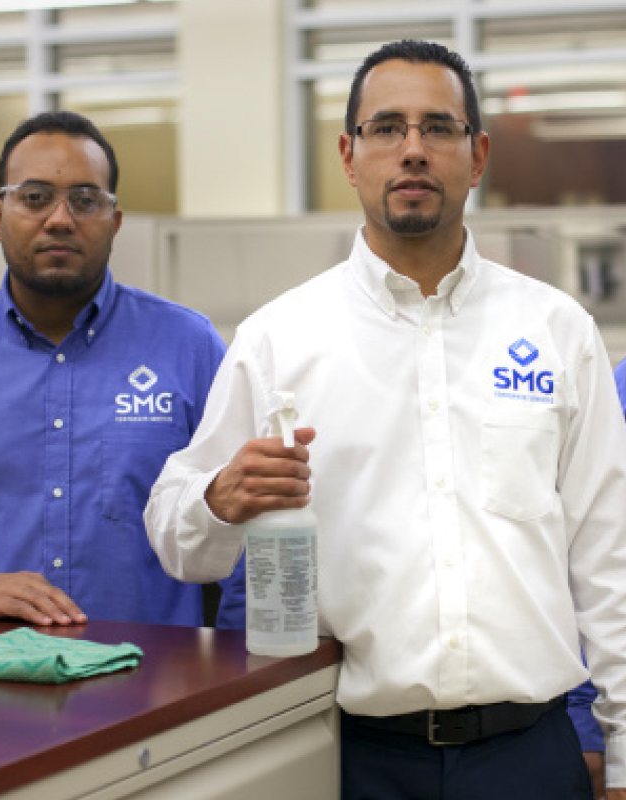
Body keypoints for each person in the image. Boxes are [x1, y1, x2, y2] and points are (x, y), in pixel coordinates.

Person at [145, 40, 626, 799]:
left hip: (530, 757)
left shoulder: (557, 331)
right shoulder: (279, 339)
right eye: (386, 128)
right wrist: (218, 499)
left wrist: (624, 750)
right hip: (352, 759)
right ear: (349, 153)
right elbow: (179, 542)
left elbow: (611, 556)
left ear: (478, 155)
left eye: (438, 127)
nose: (412, 150)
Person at [0, 110, 244, 630]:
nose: (60, 219)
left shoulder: (190, 347)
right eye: (35, 197)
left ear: (114, 221)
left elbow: (242, 529)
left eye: (85, 201)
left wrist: (241, 679)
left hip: (158, 691)